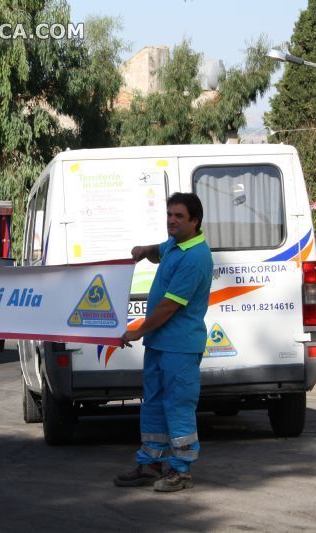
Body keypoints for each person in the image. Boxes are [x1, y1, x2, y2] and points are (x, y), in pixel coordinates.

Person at [113, 192, 213, 492]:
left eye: (179, 216)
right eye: (169, 214)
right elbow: (161, 249)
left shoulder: (195, 257)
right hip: (160, 344)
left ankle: (181, 472)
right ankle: (151, 464)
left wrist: (137, 331)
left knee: (178, 406)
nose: (171, 220)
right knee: (154, 404)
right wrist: (145, 250)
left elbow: (169, 306)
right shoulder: (176, 244)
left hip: (179, 347)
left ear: (194, 221)